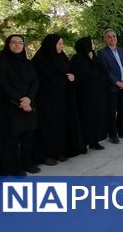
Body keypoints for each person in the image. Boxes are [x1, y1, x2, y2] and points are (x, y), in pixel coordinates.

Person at [0, 35, 40, 175]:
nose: (17, 45)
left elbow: (35, 82)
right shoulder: (1, 63)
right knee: (12, 139)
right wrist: (20, 101)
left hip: (28, 104)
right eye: (13, 42)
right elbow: (3, 85)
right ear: (7, 45)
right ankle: (15, 168)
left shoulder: (28, 63)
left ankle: (28, 164)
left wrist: (28, 99)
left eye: (20, 43)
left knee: (28, 137)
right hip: (9, 105)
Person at [32, 34, 85, 166]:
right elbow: (38, 80)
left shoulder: (62, 57)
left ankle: (60, 151)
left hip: (63, 99)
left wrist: (73, 76)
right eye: (59, 44)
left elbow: (70, 71)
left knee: (62, 125)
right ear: (51, 45)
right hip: (46, 101)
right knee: (49, 126)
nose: (62, 46)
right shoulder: (40, 60)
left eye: (62, 43)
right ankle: (47, 154)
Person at [70, 37, 109, 151]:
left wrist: (92, 59)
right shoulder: (77, 59)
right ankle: (83, 143)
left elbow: (102, 70)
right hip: (84, 95)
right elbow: (78, 76)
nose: (93, 45)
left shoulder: (94, 57)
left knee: (96, 118)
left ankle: (94, 141)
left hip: (96, 94)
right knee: (85, 118)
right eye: (91, 43)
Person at [97, 29, 123, 143]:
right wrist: (117, 82)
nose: (112, 38)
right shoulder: (102, 53)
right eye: (109, 37)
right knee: (112, 112)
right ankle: (112, 135)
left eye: (114, 36)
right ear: (105, 39)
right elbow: (106, 71)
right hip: (112, 88)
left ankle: (122, 131)